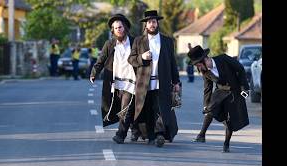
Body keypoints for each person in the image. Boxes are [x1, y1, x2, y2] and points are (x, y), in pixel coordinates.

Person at [127, 10, 181, 147]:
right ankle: (150, 136)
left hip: (162, 82)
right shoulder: (139, 41)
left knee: (161, 108)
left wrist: (176, 82)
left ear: (157, 23)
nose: (152, 24)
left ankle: (160, 134)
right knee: (147, 110)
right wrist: (142, 57)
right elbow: (131, 59)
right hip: (144, 83)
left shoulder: (168, 41)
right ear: (146, 25)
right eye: (149, 22)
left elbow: (173, 63)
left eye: (154, 21)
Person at [89, 14, 142, 143]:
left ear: (125, 28)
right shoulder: (110, 44)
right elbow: (101, 60)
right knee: (123, 108)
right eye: (115, 28)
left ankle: (120, 135)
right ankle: (135, 131)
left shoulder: (135, 41)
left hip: (131, 81)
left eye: (120, 27)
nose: (118, 29)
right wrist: (94, 73)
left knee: (126, 107)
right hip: (115, 82)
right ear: (113, 30)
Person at [188, 45, 250, 153]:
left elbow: (240, 69)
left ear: (205, 59)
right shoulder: (205, 72)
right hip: (221, 91)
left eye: (198, 64)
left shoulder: (224, 59)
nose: (198, 68)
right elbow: (207, 88)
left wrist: (244, 88)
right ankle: (201, 135)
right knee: (210, 109)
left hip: (234, 91)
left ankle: (226, 144)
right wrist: (206, 104)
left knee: (230, 121)